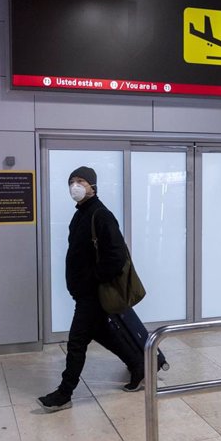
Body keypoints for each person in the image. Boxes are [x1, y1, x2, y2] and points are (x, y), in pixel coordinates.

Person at [37, 166, 145, 413]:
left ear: (92, 186)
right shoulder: (81, 213)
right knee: (101, 332)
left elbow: (116, 257)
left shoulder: (101, 215)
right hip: (84, 292)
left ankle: (65, 393)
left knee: (76, 341)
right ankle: (139, 364)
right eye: (72, 181)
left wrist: (92, 280)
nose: (75, 185)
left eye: (81, 181)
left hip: (93, 293)